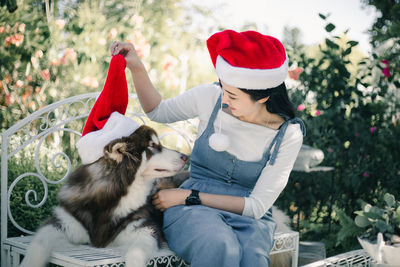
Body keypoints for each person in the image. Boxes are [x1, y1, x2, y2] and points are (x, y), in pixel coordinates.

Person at [110, 29, 305, 267]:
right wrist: (137, 68)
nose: (224, 100)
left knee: (252, 257)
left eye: (233, 96)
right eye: (224, 90)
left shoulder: (288, 134)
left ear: (262, 97)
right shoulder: (210, 97)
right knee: (220, 245)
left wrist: (188, 196)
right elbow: (157, 110)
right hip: (193, 214)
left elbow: (255, 206)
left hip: (245, 216)